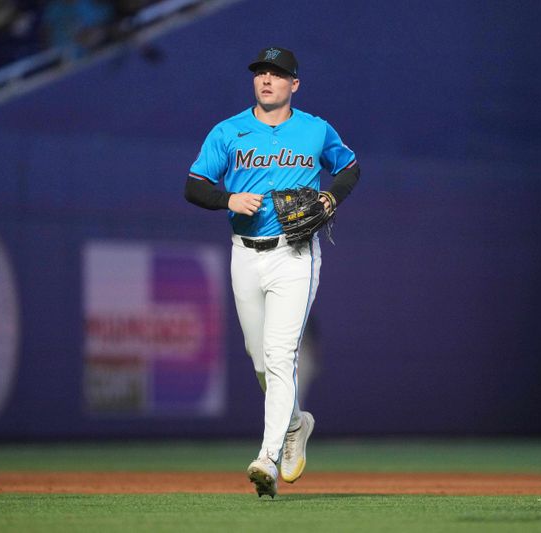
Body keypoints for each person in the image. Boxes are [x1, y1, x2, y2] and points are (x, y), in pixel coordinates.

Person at [184, 46, 360, 498]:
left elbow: (350, 168)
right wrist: (227, 199)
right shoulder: (229, 132)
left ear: (293, 85)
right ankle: (297, 423)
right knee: (259, 358)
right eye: (261, 72)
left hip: (295, 254)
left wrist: (330, 197)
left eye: (277, 74)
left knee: (281, 356)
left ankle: (266, 458)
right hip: (244, 252)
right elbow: (194, 185)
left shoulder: (316, 130)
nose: (267, 79)